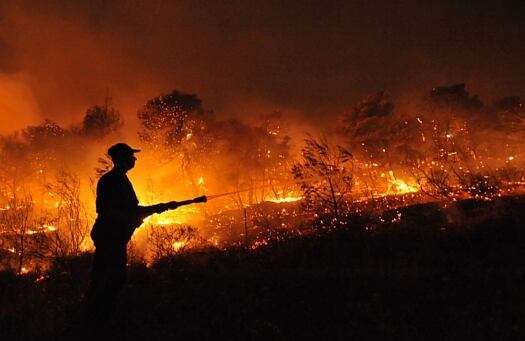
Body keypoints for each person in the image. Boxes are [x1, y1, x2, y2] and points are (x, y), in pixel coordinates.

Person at [84, 142, 206, 324]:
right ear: (121, 159)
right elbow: (113, 211)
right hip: (110, 236)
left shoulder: (120, 179)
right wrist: (154, 209)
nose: (134, 159)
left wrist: (160, 207)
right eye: (130, 156)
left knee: (105, 276)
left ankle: (95, 317)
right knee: (110, 278)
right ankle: (98, 319)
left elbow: (129, 210)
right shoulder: (113, 180)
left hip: (112, 235)